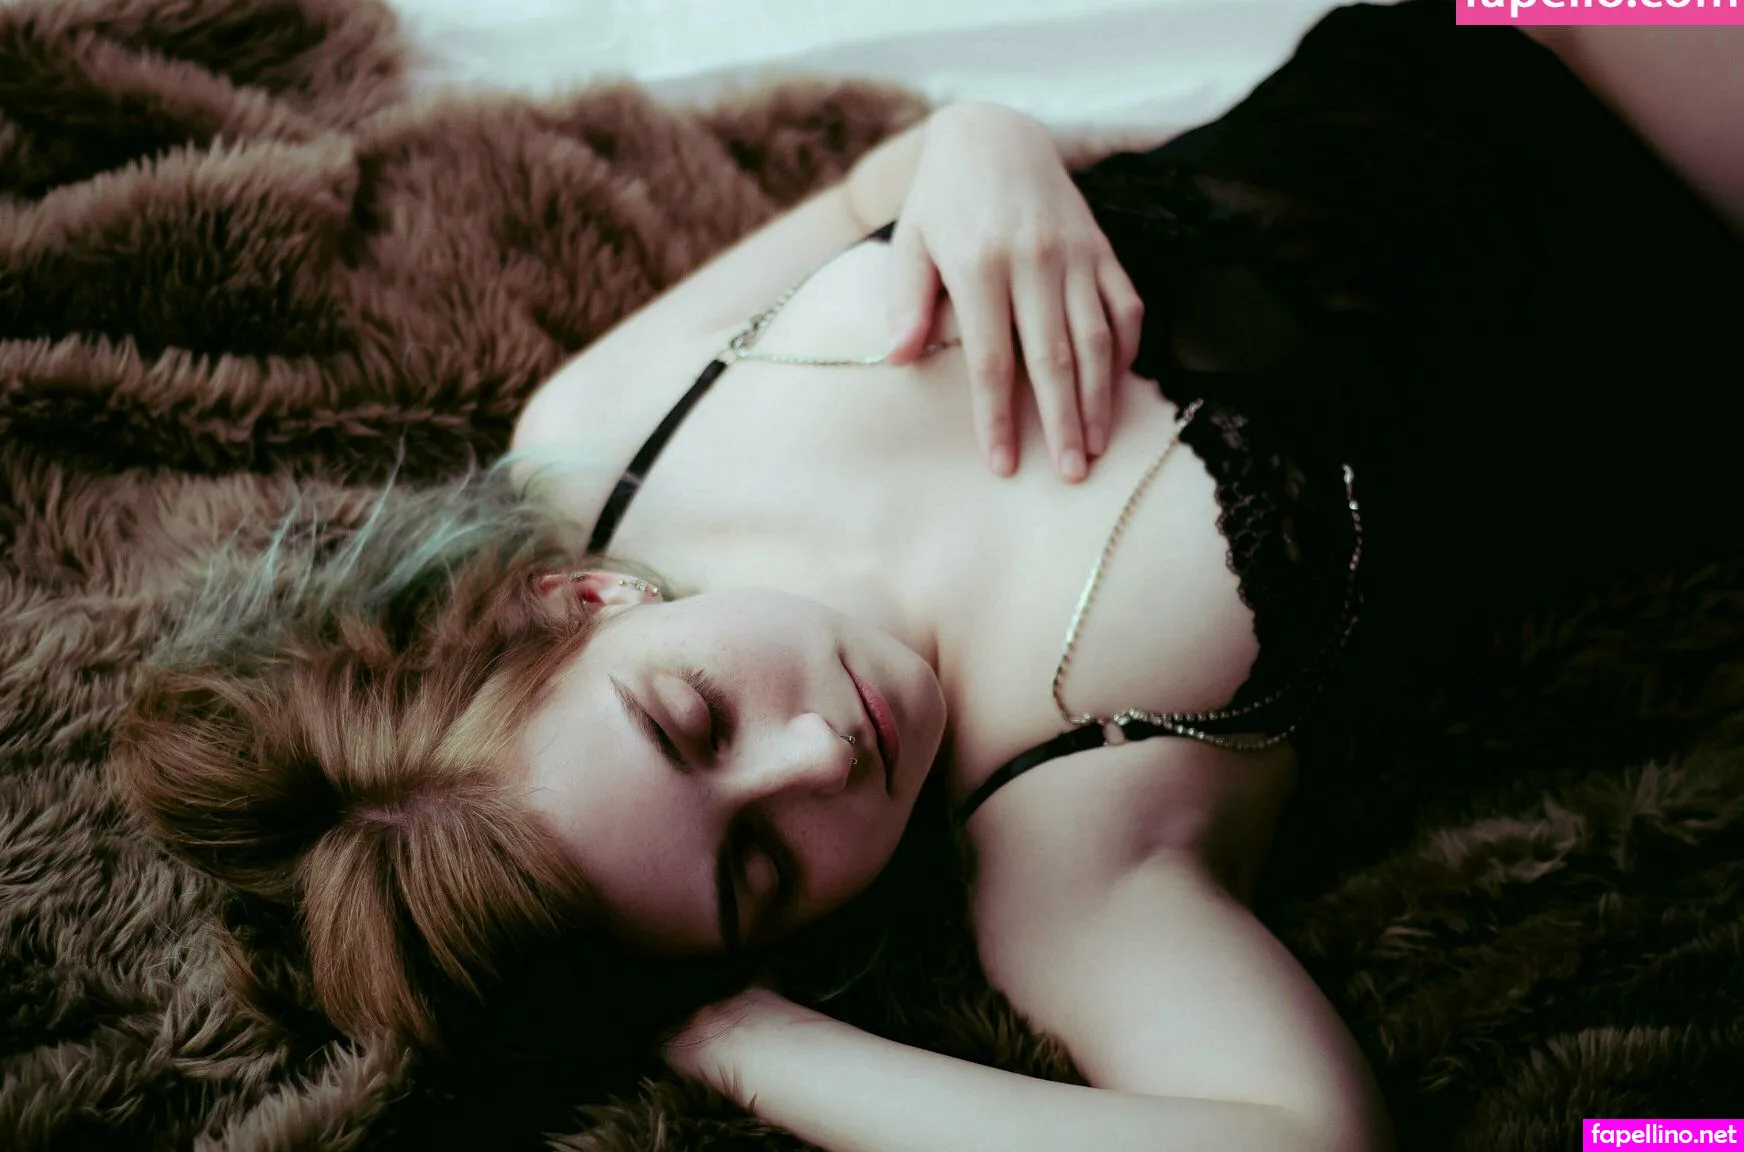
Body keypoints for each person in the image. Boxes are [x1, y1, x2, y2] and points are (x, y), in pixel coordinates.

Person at [111, 2, 1744, 1149]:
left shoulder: (602, 441)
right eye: (761, 869)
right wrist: (741, 1042)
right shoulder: (1062, 829)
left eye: (692, 721)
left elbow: (872, 188)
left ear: (583, 603)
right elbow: (1301, 1142)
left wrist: (979, 150)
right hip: (1682, 238)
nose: (820, 758)